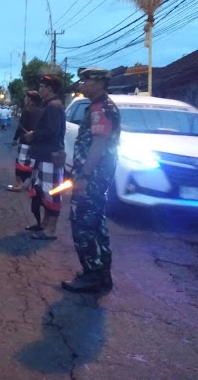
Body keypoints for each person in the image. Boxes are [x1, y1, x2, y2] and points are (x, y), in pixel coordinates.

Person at [62, 68, 120, 293]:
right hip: (98, 176)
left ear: (100, 83)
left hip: (92, 177)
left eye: (86, 80)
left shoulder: (100, 108)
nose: (82, 84)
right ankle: (102, 273)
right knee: (96, 223)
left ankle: (92, 274)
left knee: (84, 224)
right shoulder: (102, 106)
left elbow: (98, 144)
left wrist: (84, 177)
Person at [23, 75, 66, 240]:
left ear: (49, 89)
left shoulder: (54, 106)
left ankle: (51, 229)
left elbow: (51, 131)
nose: (40, 89)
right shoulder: (51, 105)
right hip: (44, 155)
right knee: (42, 191)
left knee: (52, 192)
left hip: (50, 155)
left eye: (42, 87)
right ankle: (45, 224)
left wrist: (34, 134)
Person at [7, 91, 42, 196]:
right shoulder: (41, 111)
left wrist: (14, 139)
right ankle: (32, 186)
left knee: (21, 164)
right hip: (36, 142)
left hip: (25, 141)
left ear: (30, 100)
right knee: (33, 164)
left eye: (26, 98)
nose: (25, 100)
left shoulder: (27, 110)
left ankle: (18, 184)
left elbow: (20, 127)